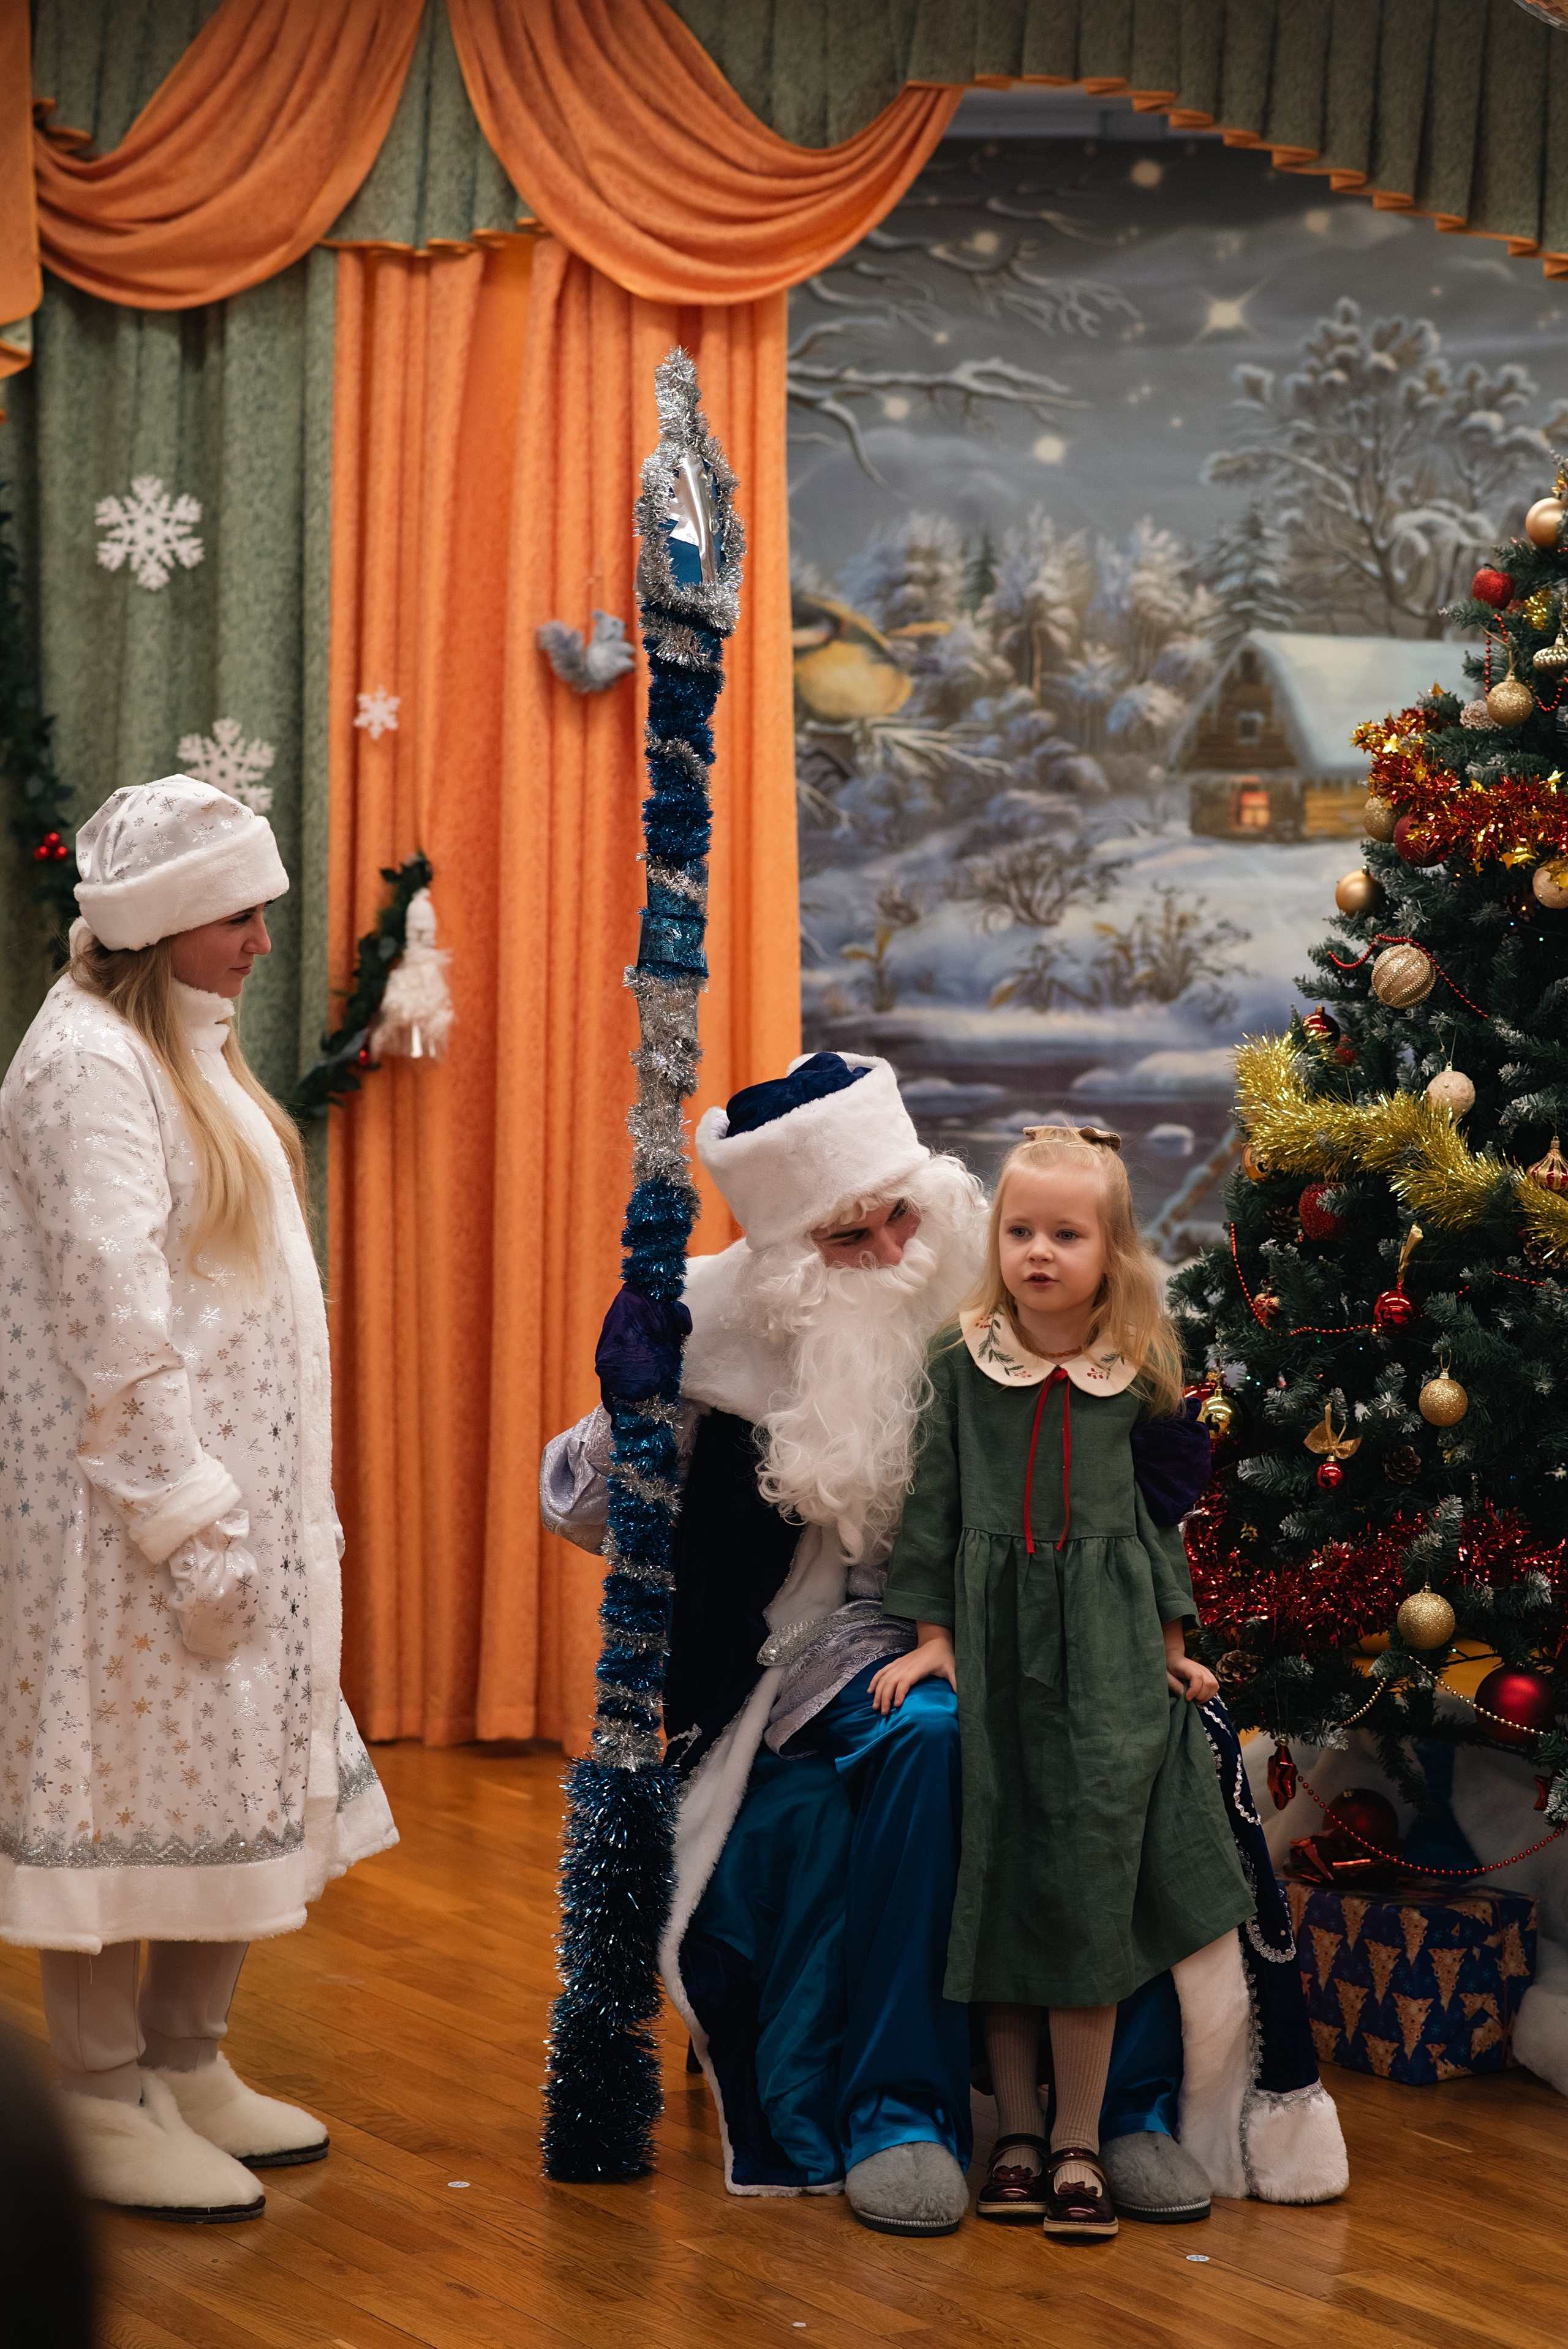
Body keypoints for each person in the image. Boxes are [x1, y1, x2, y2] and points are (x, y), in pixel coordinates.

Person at [542, 1060, 1346, 2234]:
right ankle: (901, 2112)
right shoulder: (723, 1318)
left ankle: (1125, 2112)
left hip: (1048, 1626)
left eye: (897, 1216)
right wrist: (631, 1414)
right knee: (934, 1743)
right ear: (786, 1255)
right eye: (845, 1235)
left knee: (1146, 1763)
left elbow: (1132, 1475)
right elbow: (575, 1510)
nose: (885, 1250)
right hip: (820, 1649)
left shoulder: (1008, 1273)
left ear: (934, 1193)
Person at [0, 775, 396, 2223]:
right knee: (117, 1780)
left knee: (218, 1768)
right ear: (166, 920)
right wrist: (185, 1515)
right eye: (239, 913)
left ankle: (187, 2053)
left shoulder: (189, 1050)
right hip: (135, 1515)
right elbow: (118, 1317)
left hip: (243, 1505)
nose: (261, 939)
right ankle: (100, 2088)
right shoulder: (87, 1068)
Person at [879, 1127, 1259, 2242]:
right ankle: (1016, 2134)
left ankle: (1083, 2138)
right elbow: (931, 1517)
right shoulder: (962, 1363)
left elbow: (1155, 1529)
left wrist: (1174, 1641)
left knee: (1091, 1873)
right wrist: (933, 1638)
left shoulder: (1135, 1373)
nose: (1039, 1252)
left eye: (1066, 1234)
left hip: (1103, 1647)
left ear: (1112, 1249)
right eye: (1021, 1230)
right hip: (993, 1645)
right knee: (1000, 1868)